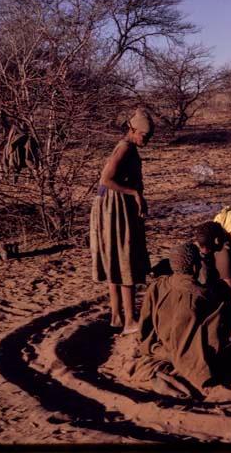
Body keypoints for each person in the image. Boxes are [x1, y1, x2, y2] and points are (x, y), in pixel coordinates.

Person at [132, 243, 231, 396]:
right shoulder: (202, 296)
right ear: (195, 267)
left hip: (161, 346)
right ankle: (177, 376)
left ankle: (163, 374)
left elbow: (145, 325)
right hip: (188, 353)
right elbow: (216, 330)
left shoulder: (157, 285)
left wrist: (149, 345)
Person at [89, 107, 154, 334]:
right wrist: (134, 194)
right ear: (132, 129)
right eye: (144, 136)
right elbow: (106, 179)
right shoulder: (125, 148)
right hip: (114, 209)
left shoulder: (129, 147)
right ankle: (129, 321)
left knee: (116, 260)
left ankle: (116, 316)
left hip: (112, 208)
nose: (146, 140)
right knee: (126, 261)